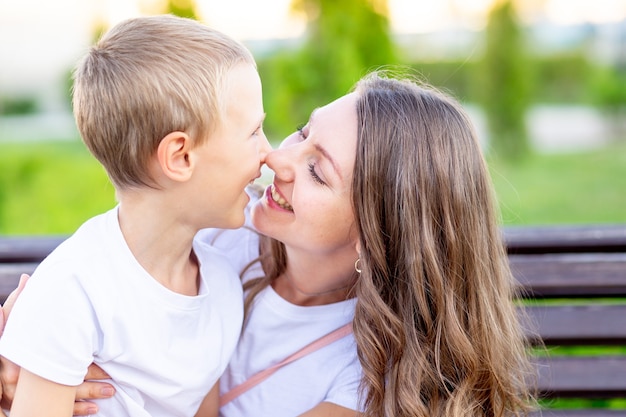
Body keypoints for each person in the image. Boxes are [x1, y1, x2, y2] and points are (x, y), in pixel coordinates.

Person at [1, 72, 535, 417]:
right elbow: (89, 296)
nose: (278, 161)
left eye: (317, 173)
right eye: (303, 133)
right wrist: (27, 368)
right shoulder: (216, 237)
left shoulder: (374, 380)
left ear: (377, 238)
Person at [0, 14, 271, 417]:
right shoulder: (71, 293)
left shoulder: (222, 284)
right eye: (253, 132)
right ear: (180, 157)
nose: (269, 152)